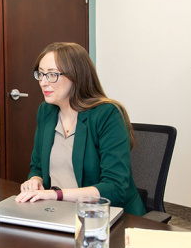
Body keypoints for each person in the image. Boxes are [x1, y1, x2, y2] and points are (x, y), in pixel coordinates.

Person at [15, 42, 146, 216]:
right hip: (60, 212)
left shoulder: (108, 114)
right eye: (41, 74)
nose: (43, 82)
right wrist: (35, 180)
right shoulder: (46, 111)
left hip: (106, 217)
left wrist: (54, 195)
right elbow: (37, 165)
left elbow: (115, 188)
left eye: (52, 75)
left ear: (76, 76)